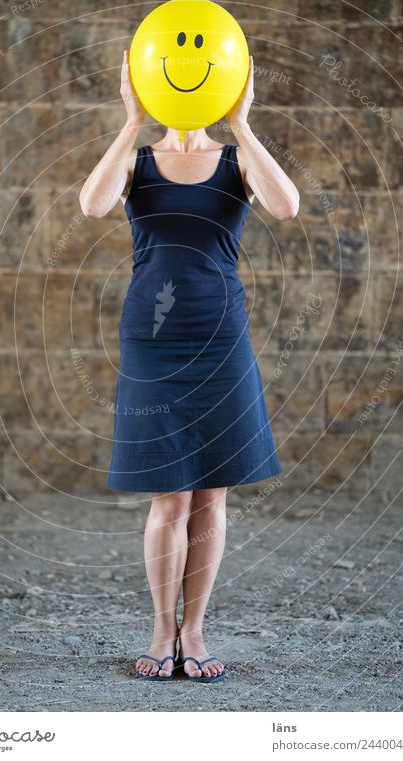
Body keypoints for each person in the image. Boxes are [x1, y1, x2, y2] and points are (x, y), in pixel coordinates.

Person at [79, 51, 299, 682]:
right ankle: (159, 631)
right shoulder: (138, 162)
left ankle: (195, 633)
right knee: (169, 496)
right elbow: (93, 207)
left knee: (211, 495)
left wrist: (243, 122)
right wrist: (130, 121)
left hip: (221, 339)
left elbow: (285, 206)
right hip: (153, 343)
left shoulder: (236, 163)